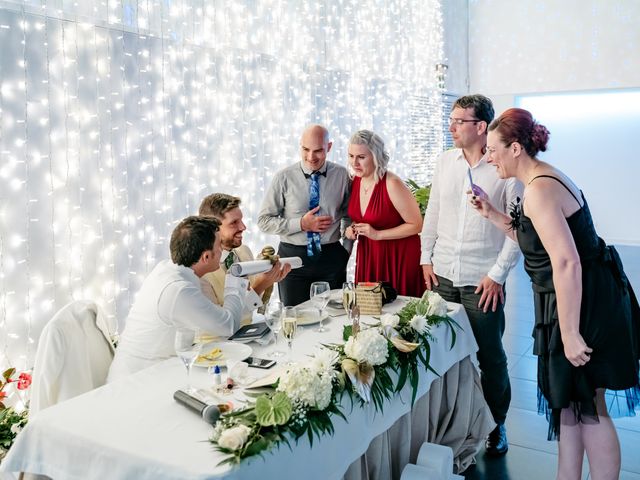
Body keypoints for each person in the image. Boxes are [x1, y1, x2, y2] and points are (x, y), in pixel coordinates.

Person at [471, 107, 640, 479]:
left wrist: (569, 333)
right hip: (579, 296)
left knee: (589, 405)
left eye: (493, 149)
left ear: (515, 149)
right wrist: (492, 213)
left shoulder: (539, 190)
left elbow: (566, 263)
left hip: (583, 303)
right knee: (572, 406)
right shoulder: (538, 182)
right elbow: (539, 245)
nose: (488, 157)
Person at [420, 94, 523, 455]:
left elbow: (518, 229)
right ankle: (449, 424)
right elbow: (432, 211)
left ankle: (497, 426)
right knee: (441, 354)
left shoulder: (505, 169)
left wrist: (497, 274)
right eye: (451, 120)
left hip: (484, 281)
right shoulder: (445, 161)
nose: (451, 127)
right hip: (443, 273)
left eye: (458, 121)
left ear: (481, 127)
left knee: (490, 357)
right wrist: (425, 258)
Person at [107, 216, 248, 381]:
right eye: (219, 246)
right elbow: (228, 325)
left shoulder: (166, 269)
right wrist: (234, 281)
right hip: (138, 380)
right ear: (206, 257)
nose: (222, 251)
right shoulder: (179, 290)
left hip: (156, 371)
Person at [258, 124, 351, 306]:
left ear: (329, 147)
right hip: (292, 261)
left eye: (318, 151)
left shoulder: (341, 175)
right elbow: (264, 221)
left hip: (332, 257)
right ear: (300, 145)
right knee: (295, 319)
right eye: (306, 149)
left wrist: (346, 251)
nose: (311, 157)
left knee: (335, 320)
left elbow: (349, 215)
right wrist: (301, 224)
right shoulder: (283, 178)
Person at [344, 130, 424, 297]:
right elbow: (364, 218)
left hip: (398, 256)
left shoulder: (392, 184)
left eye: (361, 157)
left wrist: (378, 234)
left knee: (398, 315)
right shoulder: (355, 181)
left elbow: (417, 225)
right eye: (351, 156)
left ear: (376, 156)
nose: (354, 163)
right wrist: (353, 228)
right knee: (370, 312)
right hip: (369, 255)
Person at [198, 193, 291, 323]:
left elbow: (254, 306)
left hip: (248, 335)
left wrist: (269, 280)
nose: (243, 227)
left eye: (241, 220)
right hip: (216, 341)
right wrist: (260, 285)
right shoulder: (201, 270)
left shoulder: (244, 252)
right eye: (234, 223)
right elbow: (222, 323)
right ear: (213, 229)